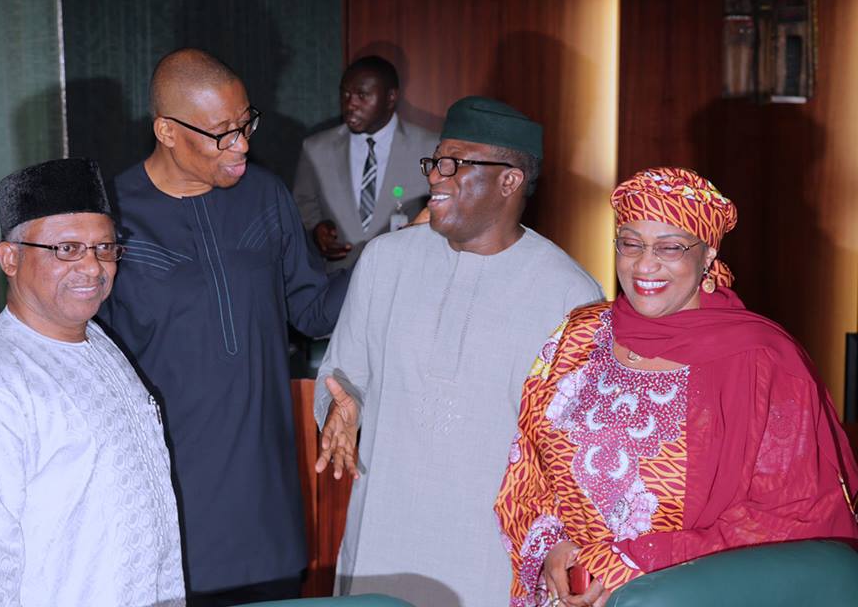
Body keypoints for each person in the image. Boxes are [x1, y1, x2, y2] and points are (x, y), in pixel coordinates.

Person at [495, 167, 858, 607]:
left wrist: (635, 560)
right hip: (569, 593)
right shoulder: (578, 334)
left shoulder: (763, 360)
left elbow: (793, 515)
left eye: (669, 247)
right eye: (630, 244)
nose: (645, 265)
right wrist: (552, 546)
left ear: (707, 255)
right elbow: (528, 464)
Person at [314, 96, 603, 605]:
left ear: (510, 180)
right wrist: (343, 408)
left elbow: (577, 452)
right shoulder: (386, 261)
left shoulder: (570, 294)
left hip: (487, 553)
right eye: (436, 162)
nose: (436, 178)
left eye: (456, 164)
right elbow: (341, 376)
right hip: (383, 533)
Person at [97, 48, 349, 605]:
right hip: (168, 495)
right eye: (221, 134)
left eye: (245, 124)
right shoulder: (111, 215)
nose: (242, 145)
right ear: (165, 129)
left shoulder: (265, 195)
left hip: (266, 495)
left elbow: (311, 309)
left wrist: (390, 257)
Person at [0, 158, 184, 607]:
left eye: (104, 248)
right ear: (10, 257)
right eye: (66, 249)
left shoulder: (98, 343)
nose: (93, 268)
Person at [293, 55, 438, 270]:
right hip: (335, 279)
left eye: (362, 95)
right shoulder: (315, 148)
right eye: (345, 93)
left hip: (405, 275)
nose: (350, 104)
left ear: (390, 98)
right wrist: (316, 231)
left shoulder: (430, 147)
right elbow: (303, 206)